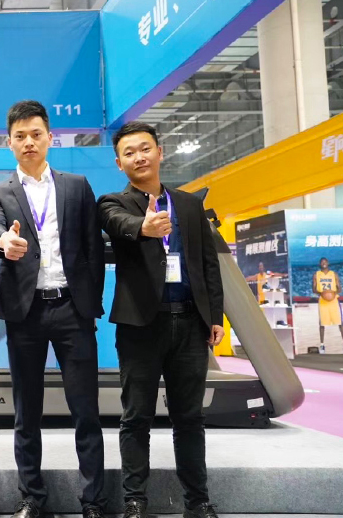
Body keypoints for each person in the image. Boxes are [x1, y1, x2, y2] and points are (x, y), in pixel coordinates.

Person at [0, 100, 106, 518]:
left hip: (72, 309)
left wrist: (89, 302)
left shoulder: (76, 186)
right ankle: (32, 498)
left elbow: (92, 248)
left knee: (85, 410)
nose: (29, 142)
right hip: (27, 313)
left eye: (36, 134)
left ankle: (93, 500)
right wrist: (4, 241)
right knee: (26, 410)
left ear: (50, 137)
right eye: (20, 136)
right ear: (9, 142)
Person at [98, 121, 224, 518]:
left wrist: (214, 315)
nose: (139, 157)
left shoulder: (188, 204)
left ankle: (197, 501)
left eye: (145, 148)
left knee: (190, 418)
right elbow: (117, 225)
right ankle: (135, 500)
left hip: (190, 324)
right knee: (136, 417)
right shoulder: (113, 203)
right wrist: (144, 226)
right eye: (129, 153)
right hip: (140, 326)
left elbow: (207, 264)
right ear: (119, 163)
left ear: (159, 152)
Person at [313, 257, 343, 353]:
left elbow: (339, 288)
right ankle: (322, 345)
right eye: (322, 262)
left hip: (334, 301)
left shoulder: (334, 274)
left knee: (340, 323)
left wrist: (332, 293)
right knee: (322, 324)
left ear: (328, 263)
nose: (324, 263)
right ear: (320, 264)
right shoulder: (316, 274)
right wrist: (322, 293)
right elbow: (313, 289)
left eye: (325, 262)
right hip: (323, 301)